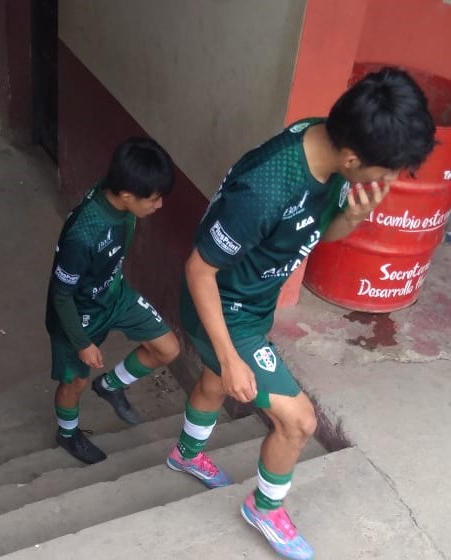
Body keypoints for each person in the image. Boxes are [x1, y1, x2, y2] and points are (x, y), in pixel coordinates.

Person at [167, 67, 435, 560]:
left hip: (253, 302)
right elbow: (199, 269)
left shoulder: (329, 149)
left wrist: (352, 215)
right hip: (222, 306)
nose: (389, 180)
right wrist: (230, 355)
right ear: (353, 158)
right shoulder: (266, 189)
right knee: (298, 421)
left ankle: (184, 454)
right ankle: (265, 509)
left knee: (214, 380)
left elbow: (316, 235)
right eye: (386, 171)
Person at [46, 138, 181, 464]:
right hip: (78, 314)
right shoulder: (84, 235)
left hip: (115, 295)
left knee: (168, 348)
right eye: (154, 199)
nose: (159, 205)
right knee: (75, 381)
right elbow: (61, 295)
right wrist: (82, 343)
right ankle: (67, 434)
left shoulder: (118, 191)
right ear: (127, 196)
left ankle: (110, 385)